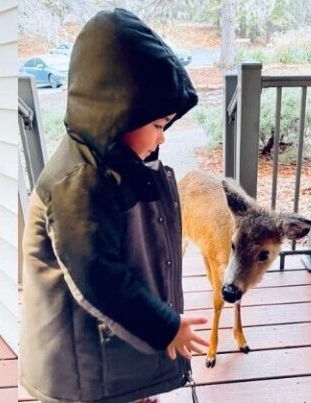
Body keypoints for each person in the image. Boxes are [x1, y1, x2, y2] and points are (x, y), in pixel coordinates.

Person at [20, 9, 209, 403]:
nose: (163, 139)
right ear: (120, 113)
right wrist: (165, 329)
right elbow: (99, 277)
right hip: (80, 373)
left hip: (110, 360)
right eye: (158, 125)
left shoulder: (111, 163)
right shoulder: (77, 183)